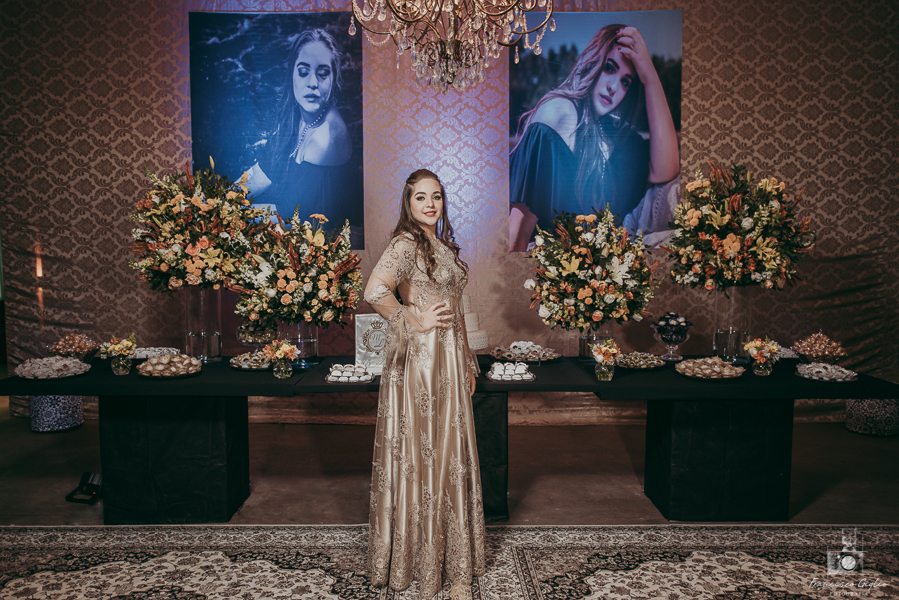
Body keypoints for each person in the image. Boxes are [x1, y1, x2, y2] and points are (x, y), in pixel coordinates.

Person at [364, 169, 485, 599]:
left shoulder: (442, 246)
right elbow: (375, 290)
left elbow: (457, 307)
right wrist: (415, 319)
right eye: (421, 197)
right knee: (424, 449)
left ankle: (453, 559)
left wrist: (467, 361)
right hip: (422, 358)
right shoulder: (405, 244)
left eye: (436, 196)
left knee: (448, 448)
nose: (430, 204)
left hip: (449, 359)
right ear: (408, 203)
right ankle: (421, 560)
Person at [509, 24, 680, 250]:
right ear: (592, 64)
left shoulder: (618, 136)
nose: (614, 87)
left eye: (625, 81)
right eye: (609, 68)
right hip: (555, 259)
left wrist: (650, 77)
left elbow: (666, 171)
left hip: (608, 260)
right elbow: (519, 232)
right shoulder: (560, 113)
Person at [245, 29, 363, 245]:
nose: (312, 83)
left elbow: (292, 216)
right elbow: (263, 171)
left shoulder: (326, 136)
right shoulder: (299, 117)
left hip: (325, 250)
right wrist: (219, 201)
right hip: (300, 239)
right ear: (292, 74)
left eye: (323, 73)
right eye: (303, 72)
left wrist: (233, 213)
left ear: (334, 79)